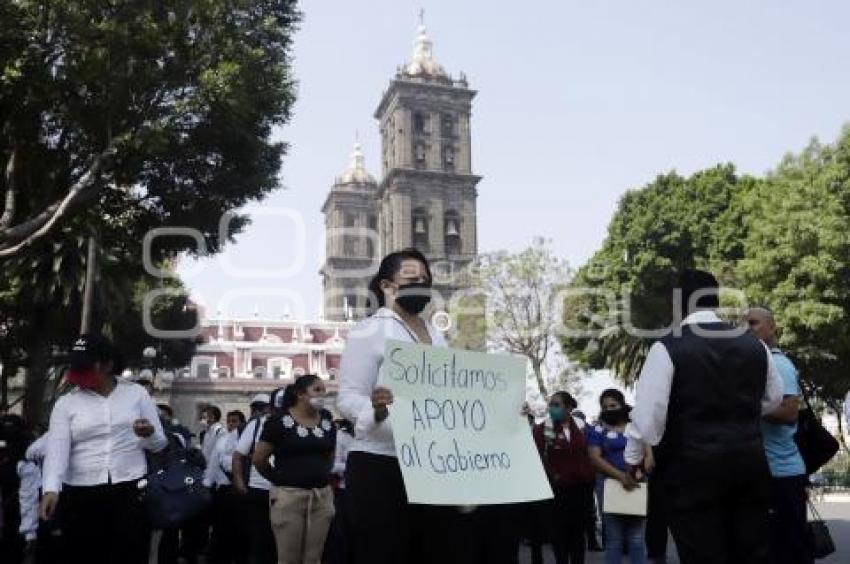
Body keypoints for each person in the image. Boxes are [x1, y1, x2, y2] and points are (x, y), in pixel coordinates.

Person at [624, 270, 783, 564]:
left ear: (677, 304)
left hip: (691, 471)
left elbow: (648, 420)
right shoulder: (755, 345)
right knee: (750, 553)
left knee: (702, 553)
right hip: (749, 464)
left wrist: (633, 458)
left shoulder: (667, 347)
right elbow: (773, 398)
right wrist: (737, 414)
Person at [337, 248, 448, 564]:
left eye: (425, 280)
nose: (420, 285)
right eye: (411, 279)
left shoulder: (438, 336)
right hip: (380, 464)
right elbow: (348, 398)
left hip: (429, 466)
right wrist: (376, 410)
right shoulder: (370, 330)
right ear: (387, 286)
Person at [39, 334, 168, 564]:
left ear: (108, 364)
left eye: (86, 366)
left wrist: (148, 434)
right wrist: (50, 489)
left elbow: (159, 444)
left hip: (129, 489)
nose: (79, 371)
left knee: (128, 554)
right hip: (81, 493)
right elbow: (57, 450)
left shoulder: (136, 394)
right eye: (75, 366)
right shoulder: (66, 403)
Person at [745, 308, 813, 564]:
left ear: (772, 327)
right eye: (744, 324)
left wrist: (747, 408)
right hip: (764, 473)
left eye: (753, 323)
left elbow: (789, 413)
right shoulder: (757, 364)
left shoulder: (778, 364)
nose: (747, 328)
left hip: (782, 475)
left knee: (789, 550)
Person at [253, 375, 337, 564]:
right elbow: (259, 459)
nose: (322, 394)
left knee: (314, 558)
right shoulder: (278, 422)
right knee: (288, 557)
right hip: (289, 497)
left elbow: (330, 457)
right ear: (300, 394)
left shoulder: (327, 423)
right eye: (317, 390)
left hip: (321, 498)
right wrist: (279, 479)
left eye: (324, 390)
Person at [533, 391, 595, 564]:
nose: (552, 408)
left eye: (556, 404)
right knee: (559, 536)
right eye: (551, 404)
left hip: (581, 491)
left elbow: (593, 452)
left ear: (568, 408)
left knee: (578, 535)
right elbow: (534, 453)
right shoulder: (544, 428)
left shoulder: (582, 426)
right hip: (556, 491)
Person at [588, 389, 647, 564]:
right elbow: (594, 458)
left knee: (636, 540)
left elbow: (648, 453)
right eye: (605, 407)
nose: (609, 409)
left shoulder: (637, 426)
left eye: (613, 405)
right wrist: (621, 476)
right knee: (614, 540)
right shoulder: (597, 429)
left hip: (636, 483)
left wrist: (638, 472)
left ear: (622, 404)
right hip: (608, 486)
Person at [233, 393, 276, 564]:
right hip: (258, 489)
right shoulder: (256, 425)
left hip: (285, 490)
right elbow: (238, 456)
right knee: (258, 537)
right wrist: (239, 482)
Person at [206, 410, 247, 564]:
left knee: (237, 529)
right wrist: (208, 484)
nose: (231, 425)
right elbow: (213, 464)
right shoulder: (221, 440)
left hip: (238, 490)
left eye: (234, 421)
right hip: (222, 490)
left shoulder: (245, 441)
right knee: (221, 528)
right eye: (229, 421)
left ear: (242, 423)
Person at [324, 419, 355, 564]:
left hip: (367, 492)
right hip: (343, 492)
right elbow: (331, 466)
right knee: (340, 537)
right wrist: (356, 465)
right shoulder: (341, 436)